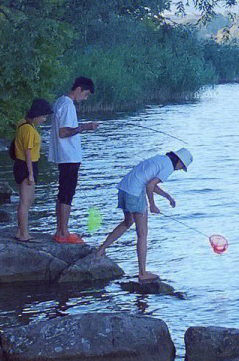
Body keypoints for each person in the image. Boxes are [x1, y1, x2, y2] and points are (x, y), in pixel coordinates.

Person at [95, 148, 192, 281]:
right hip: (135, 193)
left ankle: (100, 250)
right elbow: (150, 185)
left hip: (124, 188)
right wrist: (152, 204)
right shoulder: (168, 167)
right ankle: (142, 273)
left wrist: (167, 197)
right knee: (142, 234)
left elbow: (149, 182)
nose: (180, 169)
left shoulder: (160, 159)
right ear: (179, 161)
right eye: (182, 166)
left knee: (127, 222)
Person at [49, 76, 98, 244]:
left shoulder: (60, 102)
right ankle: (64, 232)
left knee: (63, 192)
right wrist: (85, 127)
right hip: (68, 156)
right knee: (67, 193)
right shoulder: (68, 105)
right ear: (78, 89)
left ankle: (60, 230)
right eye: (85, 95)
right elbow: (63, 132)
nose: (84, 99)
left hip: (64, 156)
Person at [11, 97, 54, 242]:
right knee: (25, 200)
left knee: (27, 200)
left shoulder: (22, 124)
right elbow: (28, 152)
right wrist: (30, 174)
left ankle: (20, 230)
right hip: (27, 165)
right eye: (43, 116)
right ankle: (23, 233)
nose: (44, 119)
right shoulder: (29, 130)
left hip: (21, 163)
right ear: (37, 114)